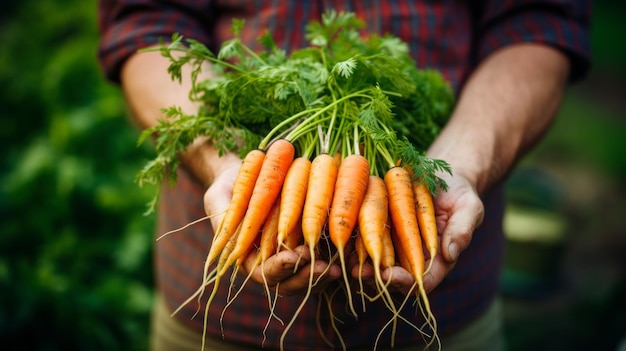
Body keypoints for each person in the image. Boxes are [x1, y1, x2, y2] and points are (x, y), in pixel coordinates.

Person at [98, 1, 590, 350]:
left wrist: (462, 163)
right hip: (216, 314)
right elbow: (146, 20)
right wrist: (226, 164)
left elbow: (537, 20)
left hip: (436, 318)